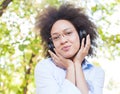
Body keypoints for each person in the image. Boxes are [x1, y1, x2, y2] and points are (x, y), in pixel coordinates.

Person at [34, 3, 105, 94]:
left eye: (68, 33)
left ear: (81, 35)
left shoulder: (97, 73)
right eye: (56, 37)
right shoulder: (45, 68)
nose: (63, 40)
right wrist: (70, 68)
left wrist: (77, 64)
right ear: (52, 44)